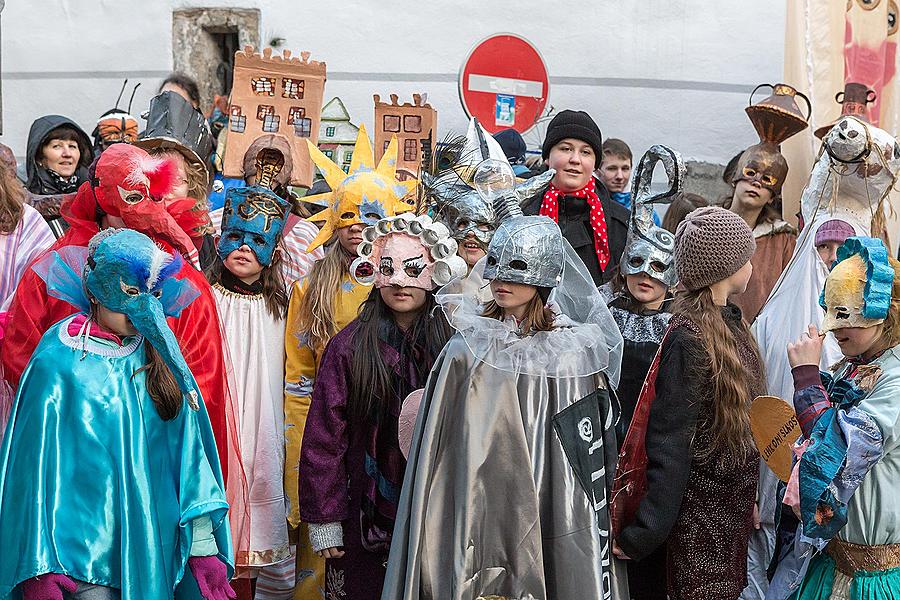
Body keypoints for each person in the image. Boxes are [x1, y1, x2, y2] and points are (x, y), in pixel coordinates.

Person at [382, 165, 625, 599]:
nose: (500, 281)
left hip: (551, 516)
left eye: (517, 271)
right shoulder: (466, 350)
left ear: (546, 276)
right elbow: (441, 458)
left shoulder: (570, 356)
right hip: (476, 513)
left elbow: (582, 465)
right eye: (495, 267)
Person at [0, 228, 234, 599]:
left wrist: (203, 548)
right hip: (78, 564)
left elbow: (191, 457)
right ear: (94, 290)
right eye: (127, 294)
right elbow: (32, 470)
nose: (140, 309)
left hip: (149, 554)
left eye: (152, 294)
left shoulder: (160, 357)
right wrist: (38, 565)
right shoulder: (57, 361)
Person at [0, 143, 240, 489]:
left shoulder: (182, 283)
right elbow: (22, 358)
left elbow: (201, 382)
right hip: (69, 456)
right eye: (131, 198)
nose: (142, 212)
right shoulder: (55, 272)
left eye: (152, 198)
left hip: (149, 458)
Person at [283, 128, 416, 598]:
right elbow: (298, 387)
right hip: (328, 444)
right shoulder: (308, 290)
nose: (358, 224)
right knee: (322, 568)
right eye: (347, 214)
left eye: (372, 213)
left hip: (390, 448)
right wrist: (304, 480)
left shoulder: (407, 290)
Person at [297, 211, 458, 600]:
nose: (400, 282)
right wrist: (326, 517)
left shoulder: (455, 349)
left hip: (436, 507)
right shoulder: (348, 347)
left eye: (413, 269)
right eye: (389, 268)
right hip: (361, 509)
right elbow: (324, 437)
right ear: (374, 272)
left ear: (434, 272)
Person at [615, 207, 764, 600]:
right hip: (691, 525)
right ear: (726, 267)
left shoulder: (731, 323)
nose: (752, 263)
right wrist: (646, 531)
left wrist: (748, 498)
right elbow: (670, 443)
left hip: (723, 516)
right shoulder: (690, 337)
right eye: (746, 256)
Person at [767, 237, 900, 598]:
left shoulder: (896, 380)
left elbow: (838, 452)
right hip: (829, 566)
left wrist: (809, 378)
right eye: (829, 311)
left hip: (874, 580)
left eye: (846, 315)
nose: (832, 328)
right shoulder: (852, 368)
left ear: (881, 310)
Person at [600, 146, 682, 600]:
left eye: (658, 266)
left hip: (655, 462)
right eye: (637, 262)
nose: (645, 275)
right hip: (601, 449)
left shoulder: (682, 326)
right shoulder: (599, 313)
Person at [206, 184, 292, 595]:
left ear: (274, 251)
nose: (243, 247)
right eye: (235, 236)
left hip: (261, 424)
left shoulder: (282, 306)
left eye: (257, 240)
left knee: (254, 519)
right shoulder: (203, 299)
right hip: (214, 422)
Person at [724, 84, 810, 323]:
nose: (756, 183)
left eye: (767, 179)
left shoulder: (782, 240)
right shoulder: (708, 225)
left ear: (773, 194)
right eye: (751, 172)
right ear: (735, 177)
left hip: (759, 335)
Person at [424, 118, 550, 272]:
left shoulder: (511, 290)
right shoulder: (434, 282)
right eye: (462, 223)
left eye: (485, 225)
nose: (470, 232)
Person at [521, 109, 629, 286]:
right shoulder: (521, 214)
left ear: (595, 164)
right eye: (565, 149)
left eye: (586, 152)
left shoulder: (620, 223)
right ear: (547, 157)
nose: (575, 159)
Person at [136, 90, 217, 268]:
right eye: (158, 176)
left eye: (177, 179)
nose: (167, 188)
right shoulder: (128, 232)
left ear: (192, 187)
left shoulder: (204, 243)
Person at [24, 115, 94, 236]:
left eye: (72, 146)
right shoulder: (26, 201)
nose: (67, 154)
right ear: (40, 156)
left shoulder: (95, 196)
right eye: (57, 146)